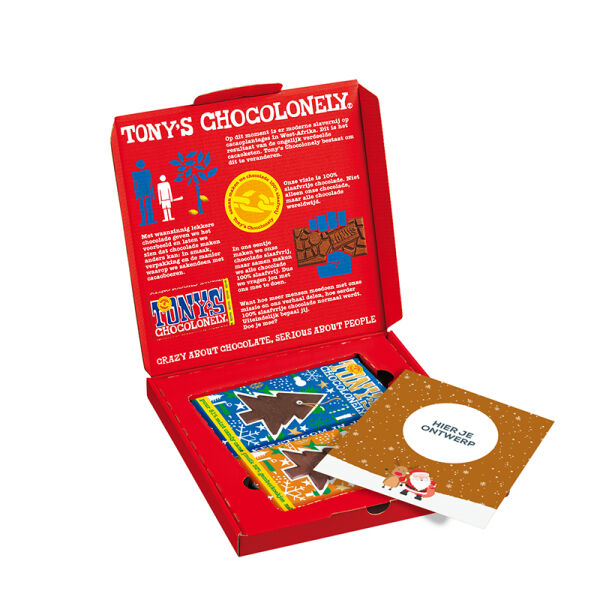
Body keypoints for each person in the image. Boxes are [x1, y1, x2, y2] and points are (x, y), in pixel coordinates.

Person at [131, 160, 157, 226]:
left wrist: (136, 195)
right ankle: (148, 221)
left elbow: (135, 185)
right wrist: (153, 194)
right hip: (146, 192)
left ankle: (147, 221)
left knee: (144, 207)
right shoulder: (146, 172)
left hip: (142, 193)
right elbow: (150, 183)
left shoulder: (136, 173)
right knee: (146, 207)